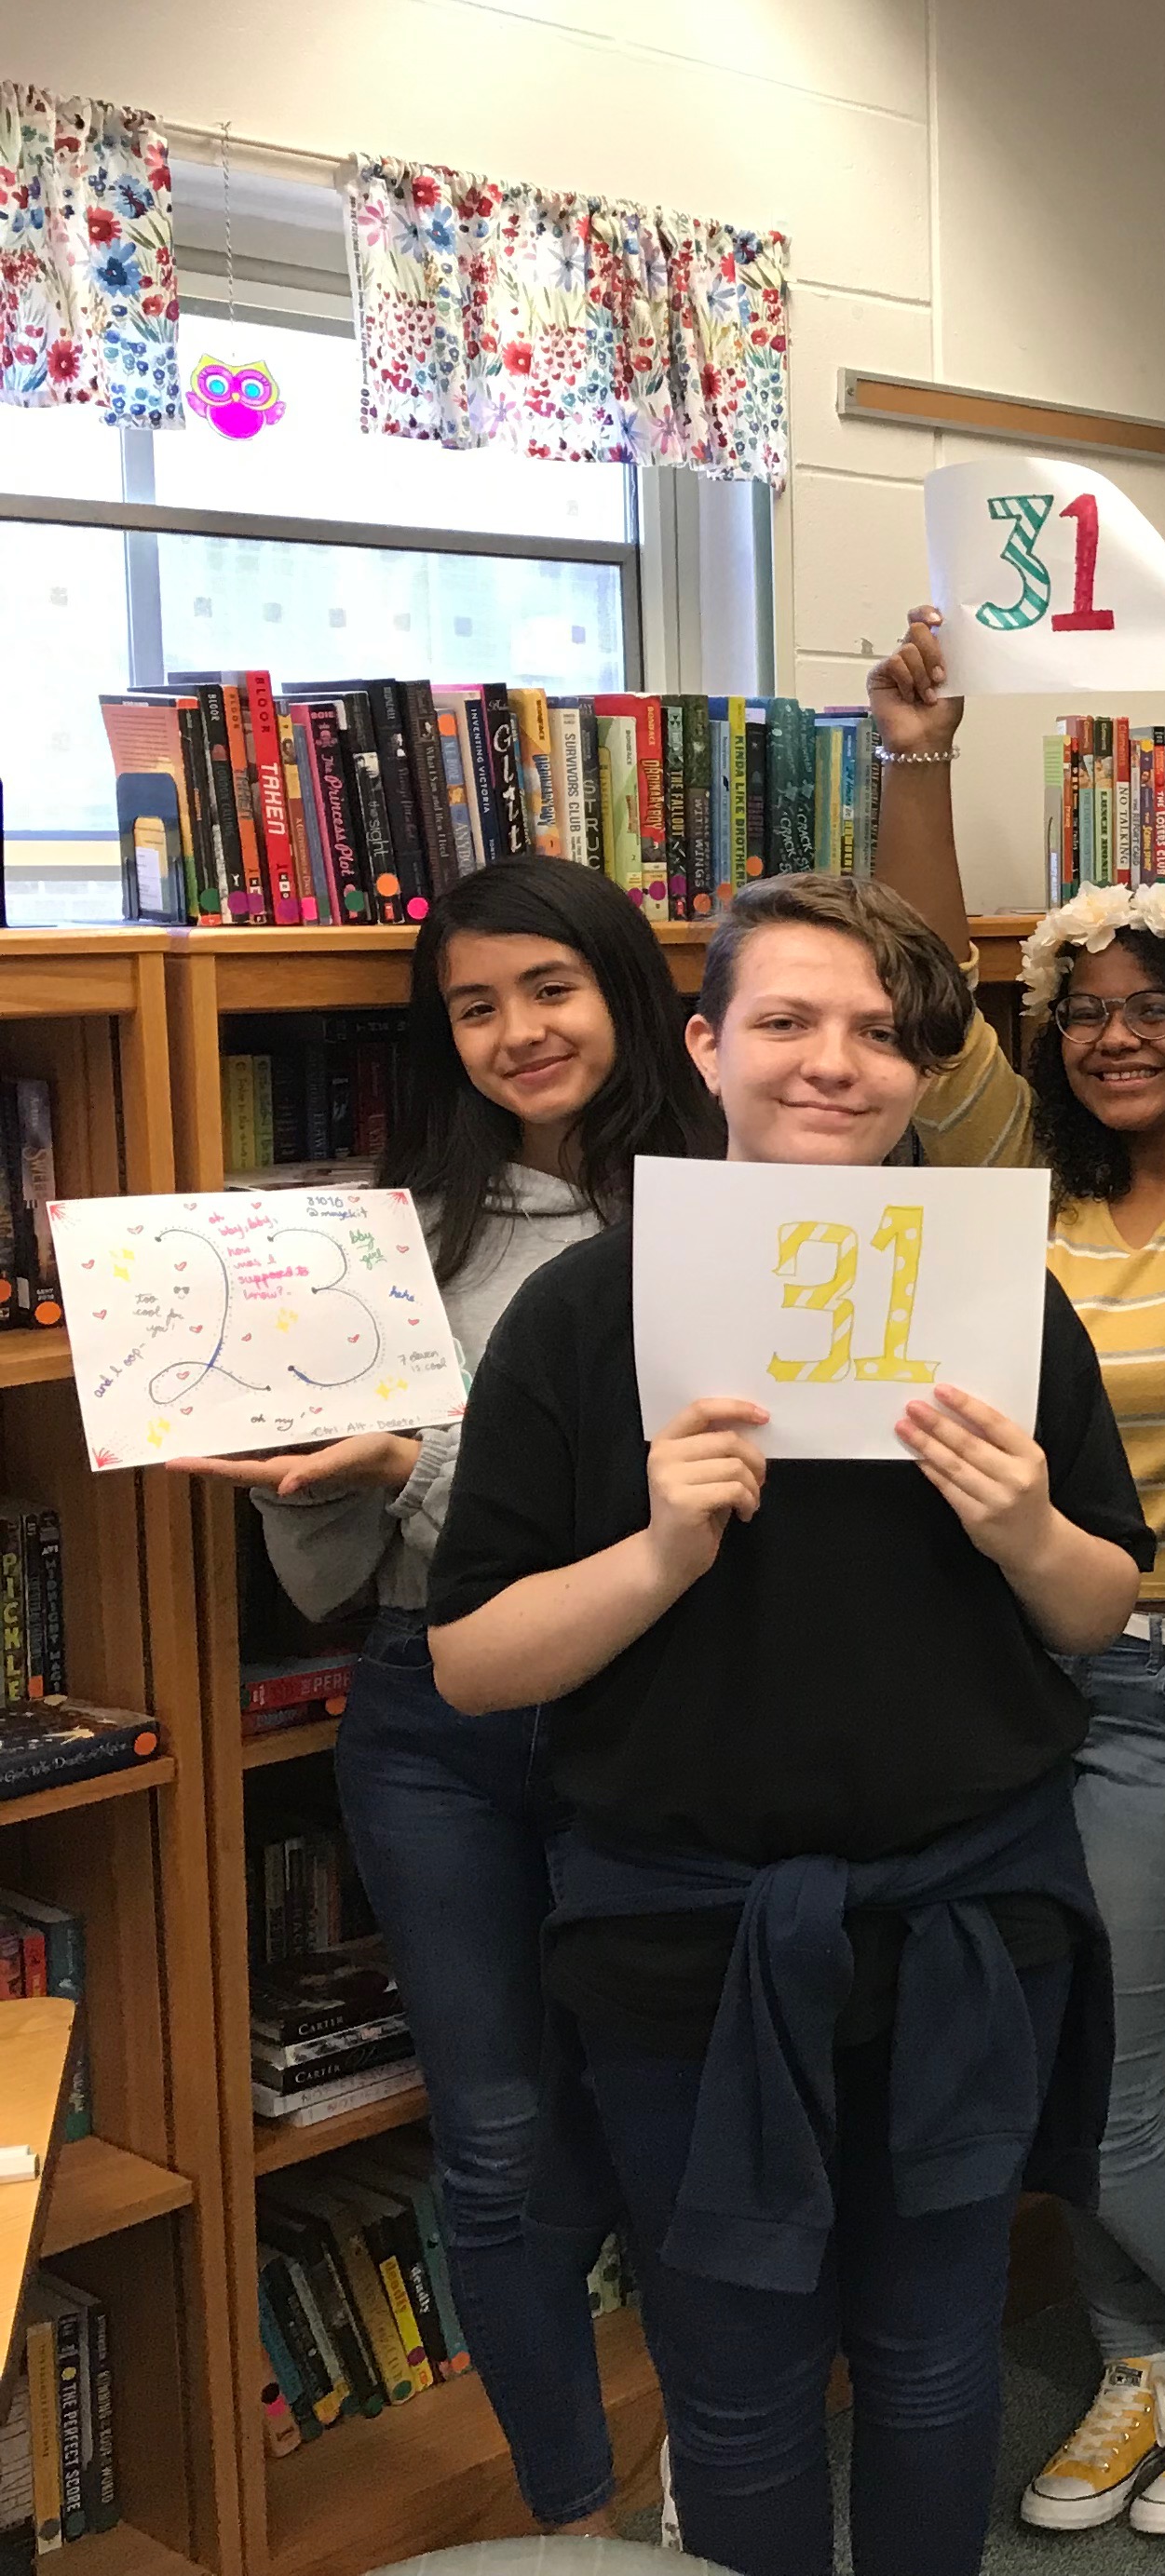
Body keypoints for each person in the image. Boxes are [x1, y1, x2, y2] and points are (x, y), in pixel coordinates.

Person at [428, 872, 1156, 2576]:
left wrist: (1025, 1527)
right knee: (740, 2389)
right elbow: (469, 1662)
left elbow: (1096, 1606)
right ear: (704, 1045)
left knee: (932, 2352)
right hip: (684, 1942)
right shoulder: (580, 1314)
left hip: (965, 1919)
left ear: (922, 1069)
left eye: (880, 1033)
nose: (835, 1061)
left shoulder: (1000, 1300)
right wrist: (659, 1550)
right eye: (785, 1020)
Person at [865, 575, 1165, 2535]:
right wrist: (917, 758)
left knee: (1101, 2080)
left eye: (1155, 1007)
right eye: (1085, 1009)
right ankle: (1145, 2362)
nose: (1114, 1036)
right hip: (1014, 1671)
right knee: (1048, 2044)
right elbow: (920, 984)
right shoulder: (1014, 1187)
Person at [171, 853, 719, 2536]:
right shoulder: (386, 1236)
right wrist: (301, 1469)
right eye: (474, 1006)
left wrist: (413, 1459)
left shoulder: (726, 1216)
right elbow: (327, 1577)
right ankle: (571, 2519)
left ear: (628, 993)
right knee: (493, 2139)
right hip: (428, 1719)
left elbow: (662, 1509)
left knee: (673, 2117)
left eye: (550, 988)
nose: (516, 1032)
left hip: (653, 1700)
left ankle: (714, 2472)